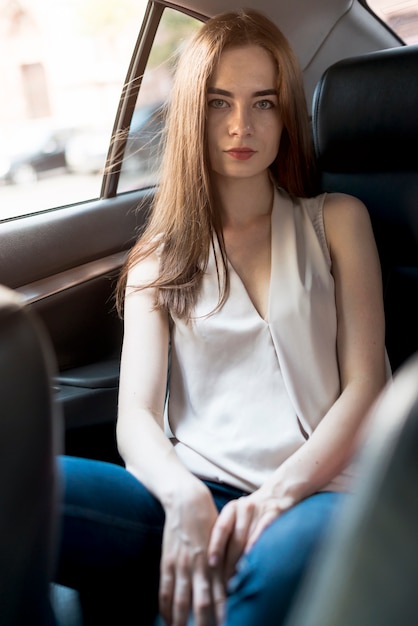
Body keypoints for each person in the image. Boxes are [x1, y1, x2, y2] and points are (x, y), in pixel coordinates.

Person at [55, 9, 387, 626]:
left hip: (316, 492)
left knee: (270, 571)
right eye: (218, 102)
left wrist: (276, 497)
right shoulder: (158, 256)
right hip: (193, 488)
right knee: (27, 485)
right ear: (192, 114)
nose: (241, 125)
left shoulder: (338, 220)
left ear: (285, 114)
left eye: (263, 103)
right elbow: (136, 418)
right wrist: (182, 501)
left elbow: (368, 386)